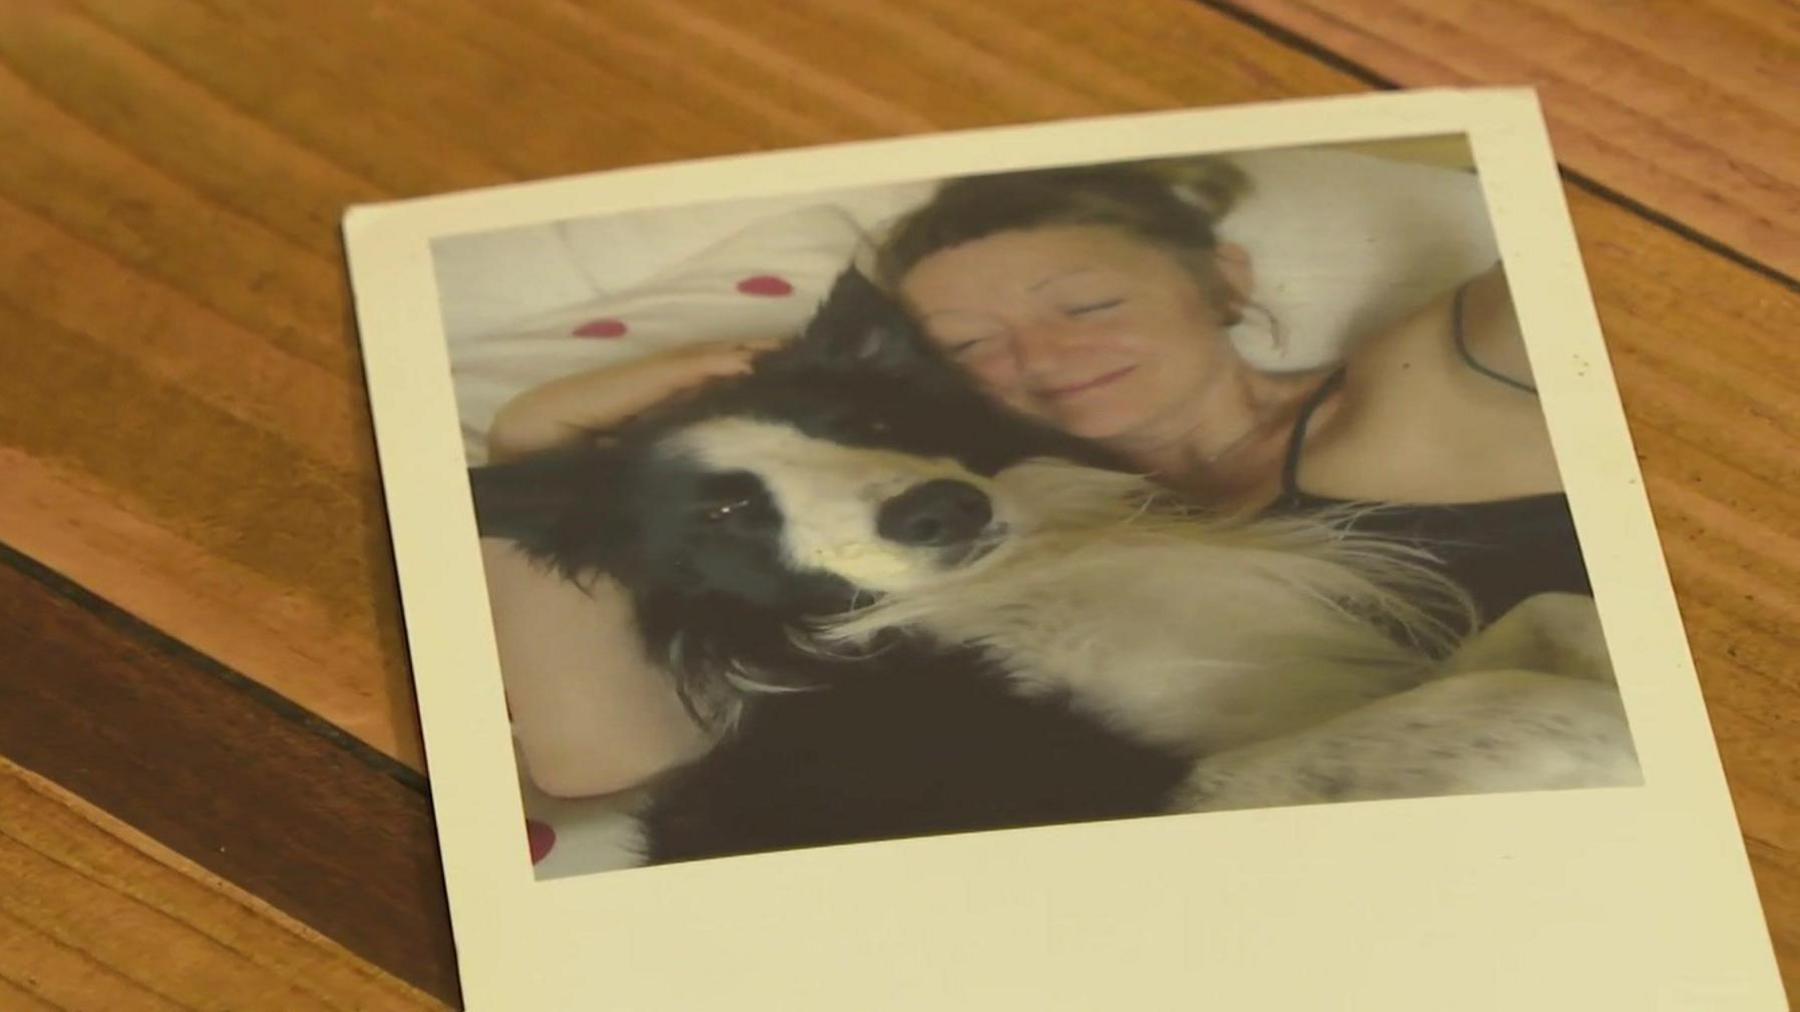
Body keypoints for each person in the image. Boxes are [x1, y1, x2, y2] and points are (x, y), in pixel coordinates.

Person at [484, 157, 1588, 799]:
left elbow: (1603, 249)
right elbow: (594, 756)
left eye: (1087, 303)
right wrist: (533, 444)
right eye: (968, 344)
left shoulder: (1423, 392)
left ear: (1224, 276)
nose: (1042, 360)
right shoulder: (953, 533)